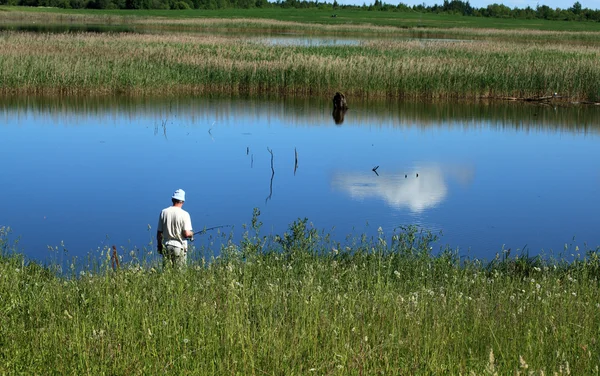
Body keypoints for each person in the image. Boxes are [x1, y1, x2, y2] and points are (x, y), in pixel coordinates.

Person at [157, 189, 193, 269]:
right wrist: (191, 234)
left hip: (166, 246)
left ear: (172, 199)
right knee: (180, 274)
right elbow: (186, 233)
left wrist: (159, 245)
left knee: (166, 272)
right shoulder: (185, 214)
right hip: (179, 246)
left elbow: (159, 232)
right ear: (182, 201)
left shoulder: (164, 212)